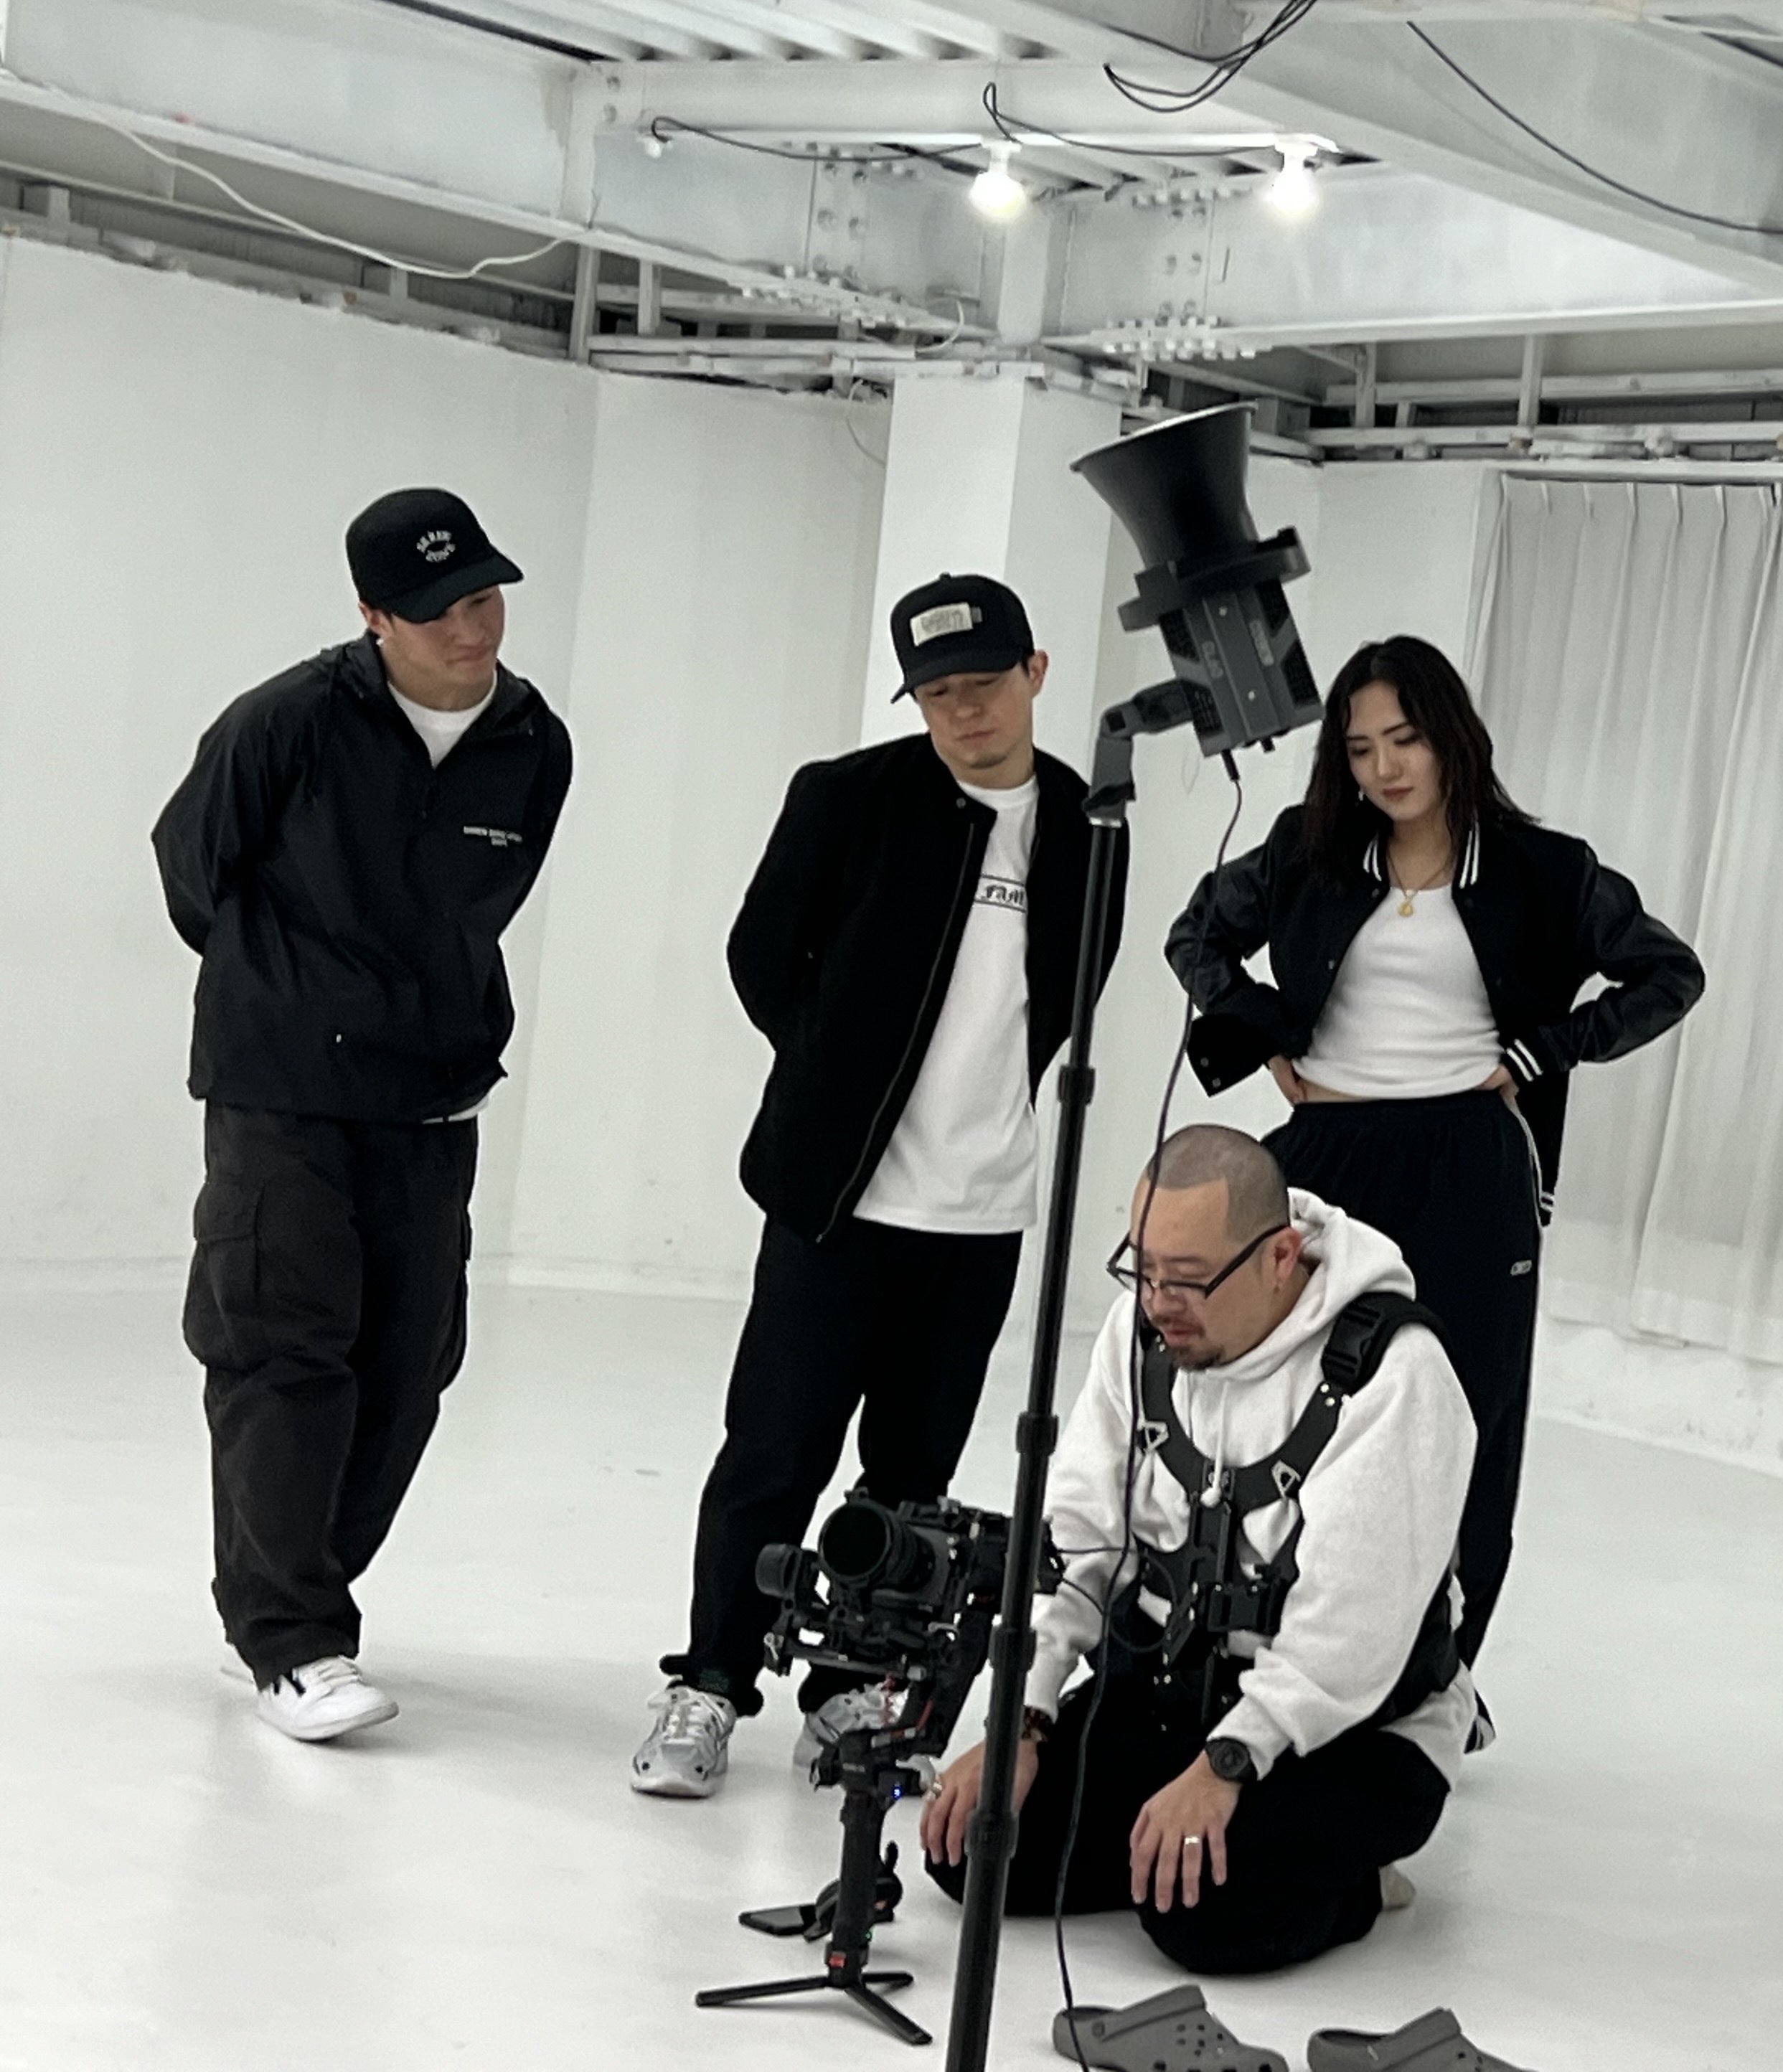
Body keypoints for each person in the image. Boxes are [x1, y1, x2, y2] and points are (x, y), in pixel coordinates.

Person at [631, 573, 1124, 1798]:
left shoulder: (1086, 824)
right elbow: (761, 956)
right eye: (939, 694)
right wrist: (834, 1074)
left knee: (912, 1476)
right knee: (772, 1451)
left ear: (1037, 673)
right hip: (838, 1201)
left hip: (981, 1213)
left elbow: (1069, 990)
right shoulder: (846, 798)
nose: (966, 713)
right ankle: (710, 1679)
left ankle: (853, 1683)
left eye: (986, 684)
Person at [1165, 636, 1702, 1687]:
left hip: (1469, 1158)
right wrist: (1267, 1035)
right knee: (1277, 1392)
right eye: (1361, 748)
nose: (1385, 767)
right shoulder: (1307, 850)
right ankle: (1265, 1645)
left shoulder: (1545, 869)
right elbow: (1196, 937)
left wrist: (1546, 1052)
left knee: (1462, 1414)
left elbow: (1668, 975)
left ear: (1453, 736)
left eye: (1405, 739)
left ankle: (1437, 1677)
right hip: (1324, 1154)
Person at [154, 487, 571, 1743]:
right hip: (283, 1091)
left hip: (431, 1095)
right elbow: (193, 870)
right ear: (374, 615)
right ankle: (292, 1639)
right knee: (284, 1346)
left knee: (408, 1364)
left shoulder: (531, 741)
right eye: (439, 610)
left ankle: (286, 1593)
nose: (472, 627)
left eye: (485, 597)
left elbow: (486, 901)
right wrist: (293, 992)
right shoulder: (286, 721)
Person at [918, 1125, 1475, 1974]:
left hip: (1349, 1730)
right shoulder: (1142, 1334)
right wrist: (1021, 1722)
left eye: (1187, 1279)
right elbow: (1077, 1541)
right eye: (1143, 1271)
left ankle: (1358, 1878)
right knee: (974, 1850)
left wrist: (1224, 1765)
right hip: (1167, 1696)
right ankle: (1170, 1840)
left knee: (1207, 1921)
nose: (1158, 1303)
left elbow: (1348, 1641)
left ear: (1280, 1257)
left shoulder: (1392, 1374)